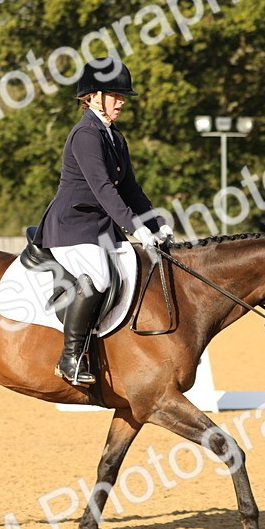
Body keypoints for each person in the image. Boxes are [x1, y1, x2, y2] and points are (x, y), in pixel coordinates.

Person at [32, 58, 173, 386]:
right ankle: (70, 357)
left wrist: (155, 223)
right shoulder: (85, 134)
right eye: (115, 95)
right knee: (97, 276)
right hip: (72, 226)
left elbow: (131, 189)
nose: (121, 100)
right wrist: (134, 228)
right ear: (93, 97)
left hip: (99, 228)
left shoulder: (115, 137)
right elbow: (103, 189)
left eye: (123, 96)